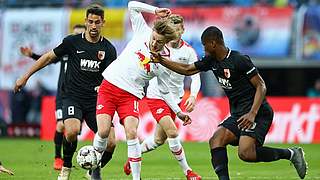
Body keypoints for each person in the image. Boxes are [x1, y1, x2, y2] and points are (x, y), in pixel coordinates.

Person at [150, 26, 307, 180]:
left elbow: (261, 86)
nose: (203, 50)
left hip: (257, 112)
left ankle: (291, 153)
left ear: (213, 43)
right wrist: (162, 60)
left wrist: (252, 113)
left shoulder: (239, 60)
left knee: (246, 154)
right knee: (216, 140)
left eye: (205, 46)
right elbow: (187, 69)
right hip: (238, 113)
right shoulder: (211, 61)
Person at [92, 1, 197, 180]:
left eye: (159, 42)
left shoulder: (163, 61)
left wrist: (178, 112)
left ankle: (136, 178)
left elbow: (164, 91)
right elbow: (131, 5)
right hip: (109, 85)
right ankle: (95, 167)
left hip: (131, 95)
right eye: (153, 39)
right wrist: (155, 10)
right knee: (102, 131)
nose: (154, 43)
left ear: (166, 43)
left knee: (132, 133)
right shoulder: (143, 31)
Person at [14, 5, 117, 180]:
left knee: (112, 143)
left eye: (97, 22)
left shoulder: (108, 49)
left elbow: (113, 77)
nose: (93, 26)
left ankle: (93, 169)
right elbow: (47, 57)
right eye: (90, 22)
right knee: (70, 131)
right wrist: (25, 76)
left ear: (103, 23)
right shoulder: (72, 42)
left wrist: (107, 88)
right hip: (72, 97)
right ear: (85, 22)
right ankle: (66, 168)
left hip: (95, 101)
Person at [123, 14, 201, 179]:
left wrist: (193, 95)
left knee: (159, 140)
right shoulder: (159, 49)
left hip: (176, 99)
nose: (176, 33)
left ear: (182, 30)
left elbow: (195, 77)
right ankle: (188, 171)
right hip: (157, 96)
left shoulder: (188, 52)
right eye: (173, 29)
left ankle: (133, 158)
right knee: (172, 132)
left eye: (178, 29)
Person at [19, 24, 86, 170]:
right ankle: (57, 158)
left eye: (79, 34)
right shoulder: (66, 50)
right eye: (74, 34)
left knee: (72, 131)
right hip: (63, 95)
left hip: (79, 96)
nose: (76, 37)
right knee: (61, 124)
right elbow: (48, 58)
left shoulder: (86, 53)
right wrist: (32, 55)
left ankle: (67, 161)